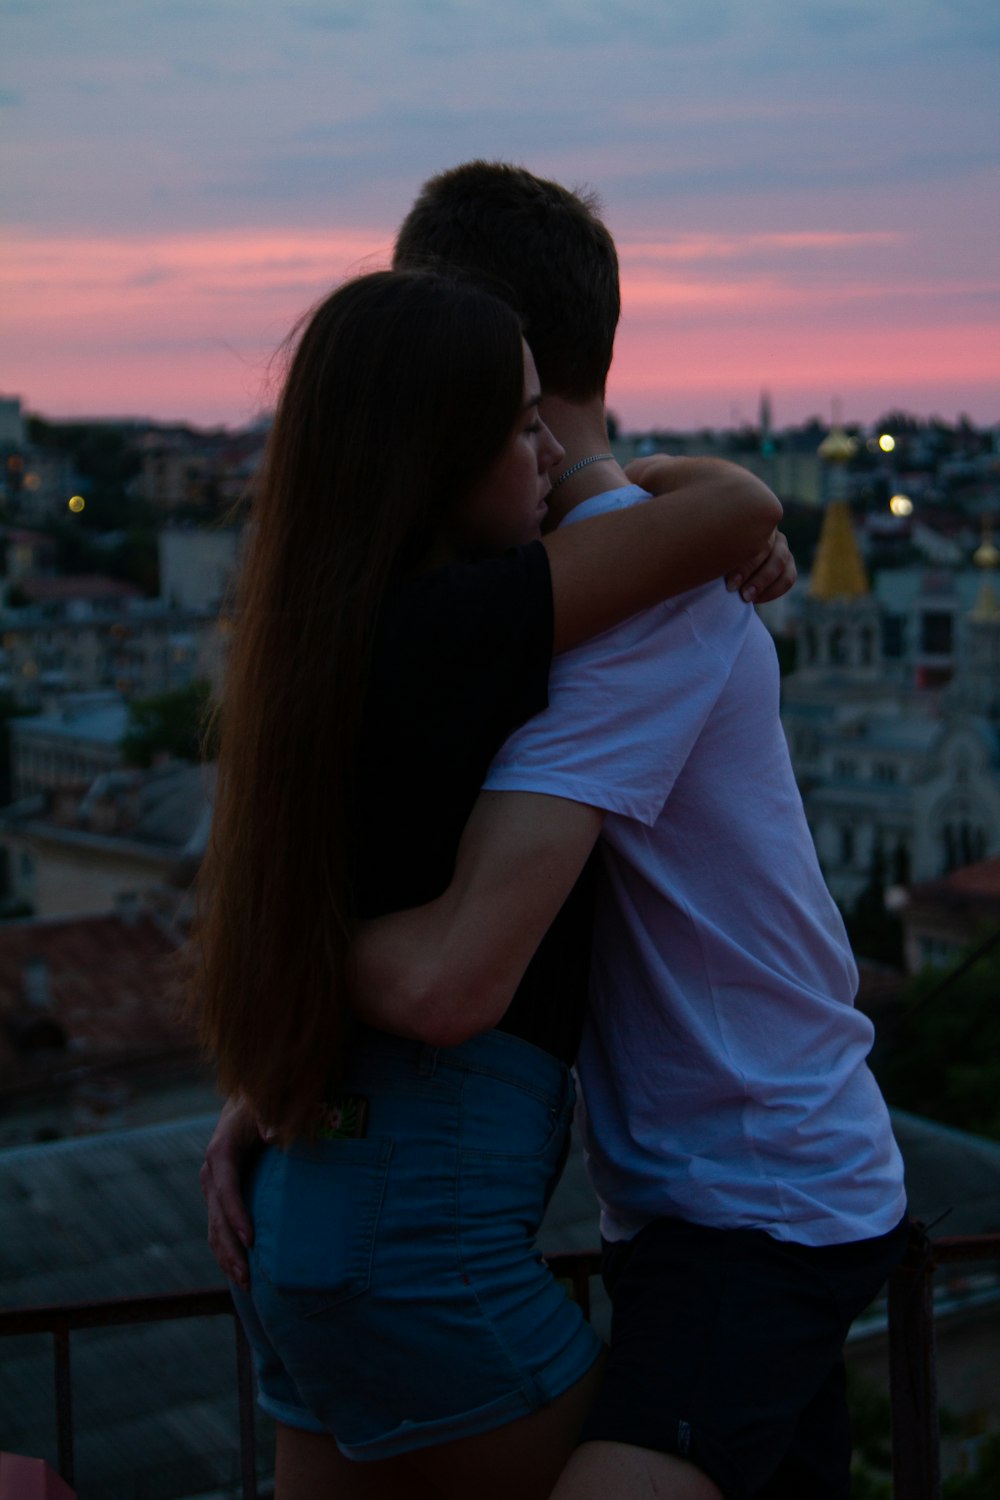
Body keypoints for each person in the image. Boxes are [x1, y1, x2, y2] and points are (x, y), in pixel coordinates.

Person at [206, 162, 906, 1498]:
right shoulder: (535, 591)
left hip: (749, 1188)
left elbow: (451, 962)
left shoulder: (610, 597)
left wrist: (281, 987)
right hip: (686, 1186)